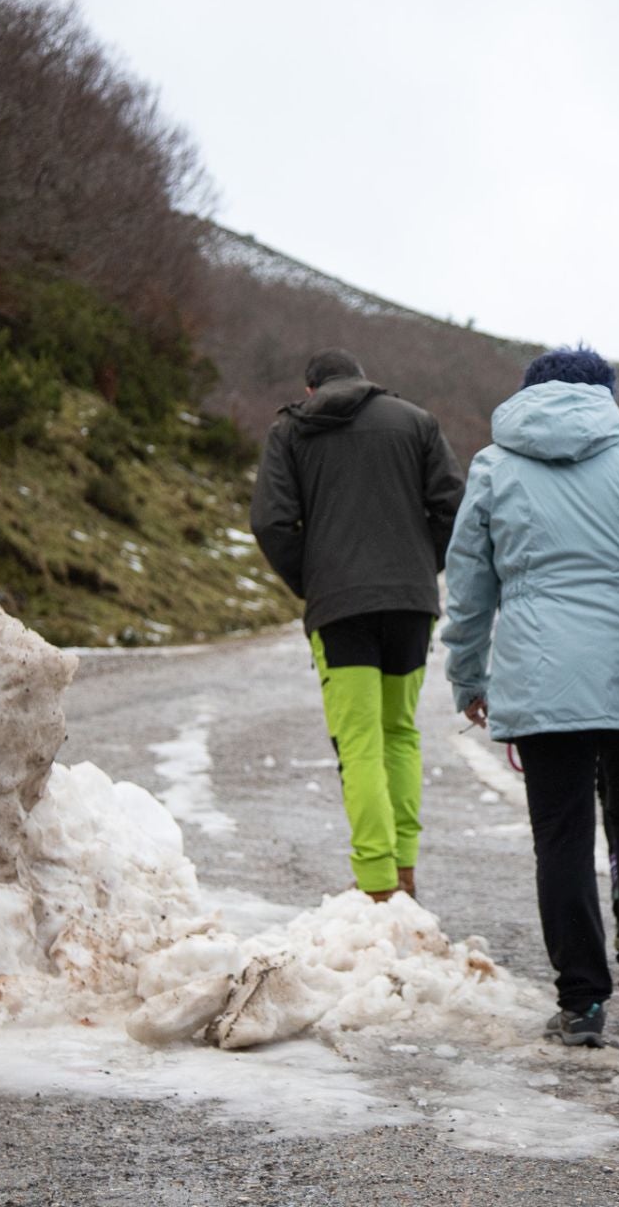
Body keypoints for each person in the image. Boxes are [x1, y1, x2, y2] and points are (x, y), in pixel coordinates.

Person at [442, 346, 619, 1048]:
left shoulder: (495, 465)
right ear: (604, 393)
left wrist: (468, 675)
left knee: (560, 833)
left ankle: (582, 1001)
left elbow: (468, 586)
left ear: (530, 394)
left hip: (540, 673)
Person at [251, 349, 465, 902]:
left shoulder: (291, 430)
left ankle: (375, 883)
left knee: (360, 741)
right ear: (365, 380)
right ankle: (404, 872)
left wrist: (315, 579)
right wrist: (420, 567)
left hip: (340, 606)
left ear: (310, 389)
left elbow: (272, 521)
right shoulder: (416, 421)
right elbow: (453, 506)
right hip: (410, 603)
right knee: (400, 732)